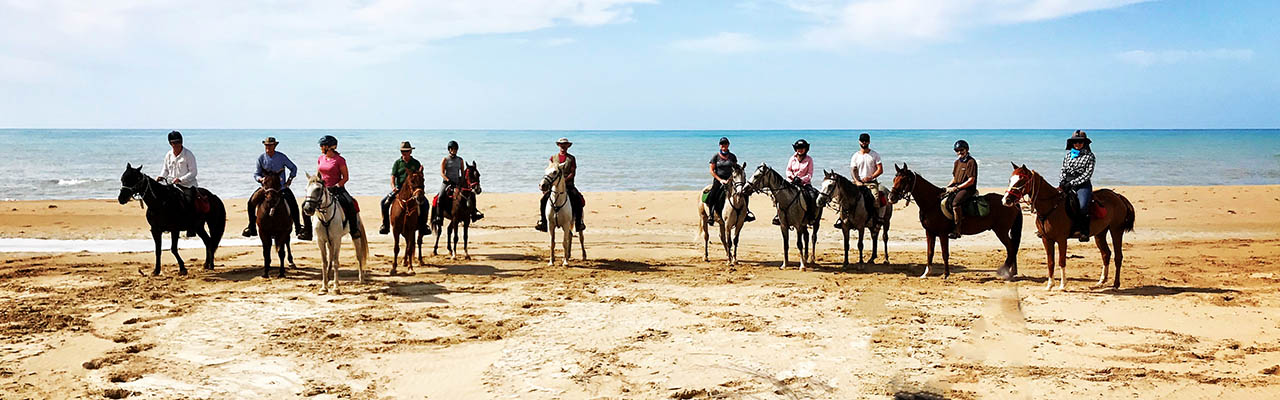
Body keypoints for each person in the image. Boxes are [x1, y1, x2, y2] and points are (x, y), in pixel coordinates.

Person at [242, 137, 310, 240]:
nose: (268, 147)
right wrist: (261, 179)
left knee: (293, 204)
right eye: (266, 145)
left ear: (274, 146)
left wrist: (290, 179)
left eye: (270, 145)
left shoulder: (281, 157)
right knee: (251, 202)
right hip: (266, 189)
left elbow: (293, 168)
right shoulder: (261, 158)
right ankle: (251, 227)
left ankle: (298, 227)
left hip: (281, 188)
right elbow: (256, 173)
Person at [316, 135, 362, 239]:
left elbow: (345, 177)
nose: (320, 147)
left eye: (322, 145)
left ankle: (354, 230)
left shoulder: (340, 160)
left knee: (350, 203)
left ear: (329, 147)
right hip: (323, 189)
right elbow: (319, 174)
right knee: (307, 204)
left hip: (337, 189)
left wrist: (336, 186)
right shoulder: (320, 159)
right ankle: (307, 231)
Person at [536, 137, 586, 232]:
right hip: (554, 185)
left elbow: (572, 173)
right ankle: (543, 221)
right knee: (543, 200)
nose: (563, 146)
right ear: (558, 145)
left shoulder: (571, 158)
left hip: (568, 185)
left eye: (565, 145)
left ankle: (579, 223)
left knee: (578, 199)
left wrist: (564, 181)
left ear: (568, 146)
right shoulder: (553, 158)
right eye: (561, 144)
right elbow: (549, 172)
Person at [158, 130, 202, 236]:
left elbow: (193, 172)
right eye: (173, 143)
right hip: (171, 185)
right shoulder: (168, 155)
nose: (176, 145)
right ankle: (166, 224)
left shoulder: (188, 154)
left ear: (181, 142)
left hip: (188, 185)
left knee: (189, 202)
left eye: (178, 142)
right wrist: (161, 176)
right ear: (170, 143)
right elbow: (165, 170)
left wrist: (181, 179)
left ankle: (191, 227)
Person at [379, 141, 428, 235]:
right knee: (384, 203)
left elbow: (419, 177)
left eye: (406, 151)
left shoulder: (416, 163)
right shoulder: (397, 163)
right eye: (402, 151)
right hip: (399, 188)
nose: (404, 153)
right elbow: (393, 176)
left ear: (410, 152)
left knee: (425, 204)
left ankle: (423, 226)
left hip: (412, 189)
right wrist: (393, 187)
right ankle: (385, 225)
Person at [704, 137, 754, 225]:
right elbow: (711, 170)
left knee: (744, 193)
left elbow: (735, 168)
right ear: (720, 145)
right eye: (722, 144)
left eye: (725, 144)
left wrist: (740, 170)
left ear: (728, 145)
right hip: (719, 180)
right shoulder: (715, 157)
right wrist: (720, 180)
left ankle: (746, 213)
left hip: (731, 179)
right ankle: (711, 215)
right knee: (712, 195)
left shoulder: (732, 156)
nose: (724, 146)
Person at [433, 140, 483, 225]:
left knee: (471, 194)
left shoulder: (460, 160)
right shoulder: (445, 160)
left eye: (455, 149)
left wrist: (464, 181)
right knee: (440, 196)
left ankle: (474, 213)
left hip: (457, 182)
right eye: (452, 149)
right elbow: (442, 173)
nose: (454, 150)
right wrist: (448, 180)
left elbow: (463, 173)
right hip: (447, 182)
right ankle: (438, 217)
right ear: (449, 149)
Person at [1060, 130, 1096, 242]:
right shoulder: (1068, 155)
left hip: (1082, 185)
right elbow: (1063, 169)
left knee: (1082, 205)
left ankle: (1083, 231)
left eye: (1080, 142)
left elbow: (1087, 174)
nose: (1078, 144)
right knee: (1056, 202)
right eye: (1075, 142)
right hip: (1066, 183)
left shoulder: (1090, 156)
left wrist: (1072, 183)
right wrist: (1062, 181)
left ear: (1084, 143)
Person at [846, 132, 884, 228]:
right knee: (845, 197)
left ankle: (876, 219)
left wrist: (871, 177)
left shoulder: (874, 155)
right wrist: (857, 180)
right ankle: (843, 218)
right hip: (857, 182)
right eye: (862, 141)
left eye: (866, 141)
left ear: (869, 142)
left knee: (876, 198)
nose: (864, 143)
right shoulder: (855, 156)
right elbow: (853, 170)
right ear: (859, 142)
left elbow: (880, 169)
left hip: (871, 182)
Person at [944, 140, 977, 239]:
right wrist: (947, 187)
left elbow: (971, 180)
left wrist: (957, 187)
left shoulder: (971, 162)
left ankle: (957, 230)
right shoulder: (957, 162)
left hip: (968, 189)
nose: (959, 153)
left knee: (956, 203)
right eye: (957, 151)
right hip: (957, 187)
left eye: (961, 150)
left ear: (966, 150)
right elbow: (955, 178)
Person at [779, 139, 817, 225]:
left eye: (802, 148)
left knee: (812, 196)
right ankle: (778, 216)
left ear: (806, 149)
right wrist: (793, 177)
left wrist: (801, 179)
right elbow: (788, 170)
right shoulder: (792, 158)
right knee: (780, 194)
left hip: (804, 184)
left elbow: (810, 174)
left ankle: (811, 216)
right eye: (798, 148)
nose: (800, 150)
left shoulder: (809, 159)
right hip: (791, 182)